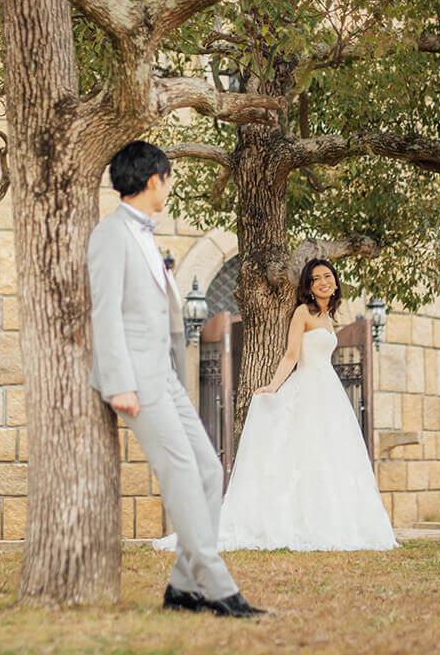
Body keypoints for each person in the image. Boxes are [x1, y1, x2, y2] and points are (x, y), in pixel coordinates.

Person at [88, 140, 266, 618]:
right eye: (168, 179)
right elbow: (103, 314)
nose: (169, 187)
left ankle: (183, 588)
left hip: (165, 377)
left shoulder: (146, 234)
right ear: (153, 180)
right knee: (183, 474)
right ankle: (218, 586)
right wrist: (118, 382)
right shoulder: (110, 234)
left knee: (209, 470)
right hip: (137, 381)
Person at [196, 257, 399, 551]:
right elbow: (291, 355)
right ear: (308, 286)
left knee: (330, 455)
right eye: (316, 279)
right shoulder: (302, 312)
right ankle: (296, 520)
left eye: (327, 276)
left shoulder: (330, 317)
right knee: (301, 452)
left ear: (335, 281)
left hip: (329, 392)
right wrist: (273, 387)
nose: (323, 282)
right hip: (306, 387)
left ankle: (332, 521)